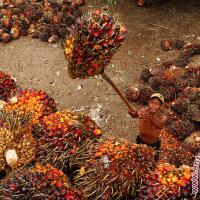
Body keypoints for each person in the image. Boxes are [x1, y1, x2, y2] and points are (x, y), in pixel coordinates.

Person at [128, 93, 167, 161]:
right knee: (137, 160)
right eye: (152, 102)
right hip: (140, 141)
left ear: (161, 106)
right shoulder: (143, 111)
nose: (153, 105)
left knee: (152, 163)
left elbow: (160, 125)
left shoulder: (162, 117)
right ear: (149, 102)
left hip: (153, 145)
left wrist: (151, 118)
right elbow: (136, 114)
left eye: (157, 104)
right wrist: (132, 113)